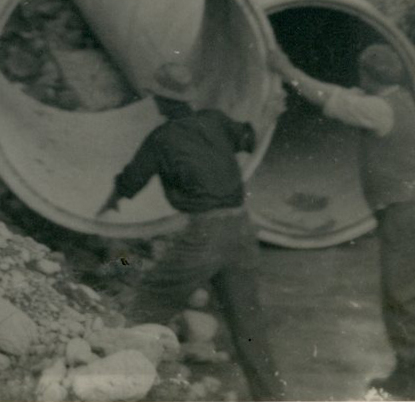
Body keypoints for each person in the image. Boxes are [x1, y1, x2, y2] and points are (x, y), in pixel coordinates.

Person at [98, 61, 287, 401]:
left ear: (161, 101)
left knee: (150, 301)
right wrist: (270, 110)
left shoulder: (161, 139)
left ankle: (116, 386)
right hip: (242, 229)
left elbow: (130, 181)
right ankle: (271, 397)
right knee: (248, 323)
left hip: (205, 234)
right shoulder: (215, 120)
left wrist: (106, 208)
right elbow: (251, 136)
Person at [268, 41, 415, 402]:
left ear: (368, 75)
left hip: (405, 213)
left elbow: (328, 98)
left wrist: (286, 70)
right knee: (414, 294)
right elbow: (344, 96)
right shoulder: (398, 99)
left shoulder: (378, 110)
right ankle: (412, 372)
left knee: (402, 295)